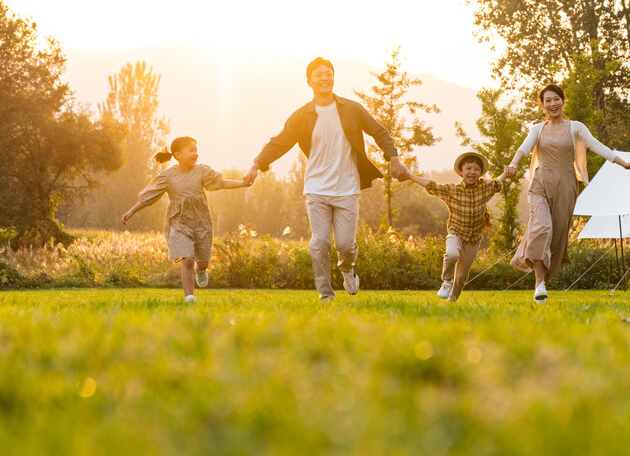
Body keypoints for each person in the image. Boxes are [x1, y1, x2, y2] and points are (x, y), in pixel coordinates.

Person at [243, 57, 408, 301]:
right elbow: (279, 142)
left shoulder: (352, 109)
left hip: (347, 187)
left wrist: (393, 158)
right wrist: (256, 165)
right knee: (319, 242)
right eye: (319, 74)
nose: (325, 77)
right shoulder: (302, 116)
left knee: (344, 245)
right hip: (316, 187)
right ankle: (326, 294)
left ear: (333, 77)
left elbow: (379, 131)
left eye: (328, 73)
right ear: (309, 81)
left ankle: (347, 268)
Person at [505, 84, 630, 303]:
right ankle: (538, 283)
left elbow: (598, 146)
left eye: (556, 99)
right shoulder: (537, 129)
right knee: (542, 227)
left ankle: (543, 288)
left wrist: (623, 163)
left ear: (563, 101)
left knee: (558, 239)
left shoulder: (576, 128)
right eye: (548, 101)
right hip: (541, 184)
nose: (552, 104)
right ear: (542, 105)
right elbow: (524, 148)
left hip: (566, 186)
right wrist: (513, 163)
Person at [122, 136, 249, 303]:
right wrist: (131, 211)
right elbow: (149, 197)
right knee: (187, 258)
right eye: (191, 150)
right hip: (179, 222)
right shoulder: (167, 177)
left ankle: (201, 270)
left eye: (196, 150)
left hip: (201, 221)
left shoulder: (202, 171)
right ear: (178, 154)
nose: (196, 153)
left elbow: (221, 183)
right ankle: (190, 297)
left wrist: (243, 183)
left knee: (202, 262)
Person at [406, 151, 507, 302]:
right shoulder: (452, 190)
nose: (472, 172)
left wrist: (506, 173)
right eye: (468, 168)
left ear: (480, 173)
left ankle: (452, 301)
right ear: (461, 172)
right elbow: (432, 185)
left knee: (460, 277)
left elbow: (497, 182)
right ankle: (446, 281)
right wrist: (409, 175)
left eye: (476, 169)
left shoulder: (485, 187)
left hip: (473, 239)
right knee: (452, 254)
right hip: (456, 233)